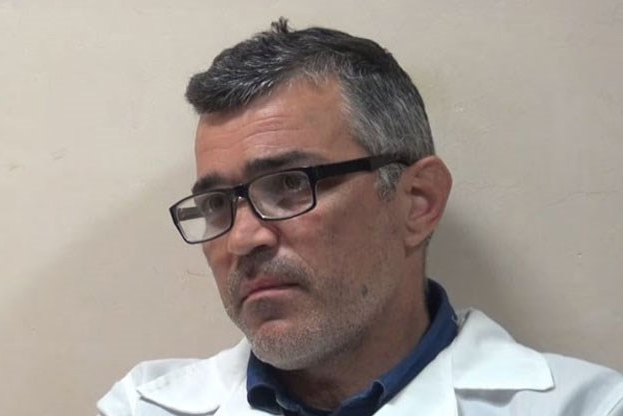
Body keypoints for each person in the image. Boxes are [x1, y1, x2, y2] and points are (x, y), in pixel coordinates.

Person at [98, 19, 623, 416]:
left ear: (417, 202)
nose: (241, 239)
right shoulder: (142, 407)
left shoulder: (587, 406)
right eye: (216, 204)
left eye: (289, 185)